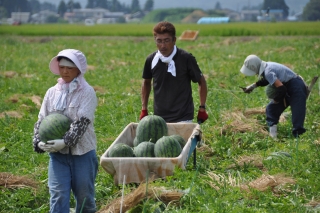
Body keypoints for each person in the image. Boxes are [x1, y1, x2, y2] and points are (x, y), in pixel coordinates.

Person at [32, 49, 98, 213]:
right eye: (62, 67)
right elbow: (41, 119)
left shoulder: (87, 92)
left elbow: (82, 122)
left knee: (85, 199)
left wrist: (65, 142)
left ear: (79, 69)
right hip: (58, 157)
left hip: (82, 154)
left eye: (70, 67)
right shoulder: (52, 92)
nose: (65, 71)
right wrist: (38, 141)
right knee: (58, 195)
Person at [139, 21, 208, 123]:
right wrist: (144, 108)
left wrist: (202, 107)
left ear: (174, 40)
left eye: (167, 40)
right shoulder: (151, 60)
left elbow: (201, 81)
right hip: (160, 118)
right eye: (159, 41)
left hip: (183, 117)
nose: (163, 45)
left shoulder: (186, 58)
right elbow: (146, 82)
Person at [240, 54, 308, 138]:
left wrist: (276, 99)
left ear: (254, 67)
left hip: (296, 86)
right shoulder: (267, 67)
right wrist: (253, 86)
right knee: (271, 109)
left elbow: (282, 89)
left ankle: (299, 136)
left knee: (297, 111)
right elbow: (266, 80)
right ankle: (273, 136)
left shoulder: (268, 70)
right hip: (287, 86)